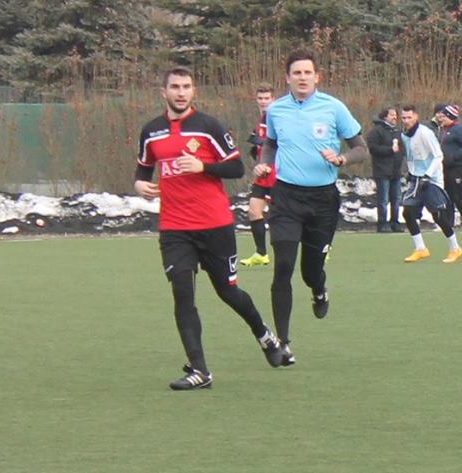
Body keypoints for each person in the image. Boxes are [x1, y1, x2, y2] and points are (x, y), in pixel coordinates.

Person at [134, 66, 284, 388]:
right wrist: (139, 184)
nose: (181, 92)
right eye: (175, 87)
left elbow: (236, 168)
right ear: (164, 92)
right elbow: (143, 168)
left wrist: (202, 166)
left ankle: (264, 335)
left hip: (214, 225)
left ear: (193, 91)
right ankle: (200, 371)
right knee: (182, 294)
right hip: (174, 228)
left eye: (186, 86)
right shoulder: (151, 131)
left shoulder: (208, 127)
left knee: (227, 291)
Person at [252, 51, 362, 362]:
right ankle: (282, 343)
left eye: (307, 72)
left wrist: (342, 159)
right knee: (283, 266)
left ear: (317, 77)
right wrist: (264, 163)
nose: (302, 77)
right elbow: (271, 143)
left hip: (323, 200)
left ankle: (319, 289)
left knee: (310, 271)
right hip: (286, 197)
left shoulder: (333, 107)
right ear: (287, 78)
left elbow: (360, 148)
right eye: (296, 73)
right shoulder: (276, 110)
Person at [398, 105, 462, 263]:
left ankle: (455, 248)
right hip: (416, 179)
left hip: (431, 180)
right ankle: (421, 249)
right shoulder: (404, 135)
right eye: (404, 118)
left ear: (416, 117)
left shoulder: (425, 133)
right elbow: (412, 156)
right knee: (408, 213)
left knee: (438, 215)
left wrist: (428, 175)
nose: (406, 121)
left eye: (409, 117)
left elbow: (438, 156)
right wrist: (411, 172)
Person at [242, 86, 277, 264]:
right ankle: (261, 253)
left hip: (277, 175)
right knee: (254, 211)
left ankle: (320, 246)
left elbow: (283, 144)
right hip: (262, 175)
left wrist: (271, 164)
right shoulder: (262, 118)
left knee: (287, 216)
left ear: (273, 99)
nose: (263, 102)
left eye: (266, 98)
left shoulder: (277, 117)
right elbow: (260, 142)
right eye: (260, 98)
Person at [435, 103, 462, 228]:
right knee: (448, 196)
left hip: (459, 169)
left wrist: (453, 158)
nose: (441, 119)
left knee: (458, 195)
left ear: (450, 116)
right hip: (447, 168)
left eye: (443, 116)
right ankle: (448, 223)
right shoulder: (444, 130)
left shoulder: (460, 130)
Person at [366, 106, 403, 233]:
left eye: (396, 115)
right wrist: (389, 150)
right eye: (392, 115)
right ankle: (382, 224)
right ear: (385, 116)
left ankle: (395, 223)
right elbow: (373, 148)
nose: (395, 117)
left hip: (396, 171)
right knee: (383, 199)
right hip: (382, 171)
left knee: (396, 199)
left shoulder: (397, 131)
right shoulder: (376, 131)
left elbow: (402, 149)